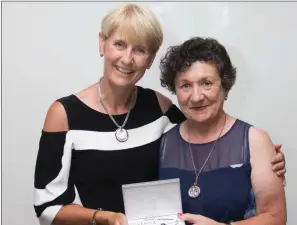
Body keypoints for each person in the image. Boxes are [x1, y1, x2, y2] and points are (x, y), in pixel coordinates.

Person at [33, 3, 286, 225]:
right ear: (102, 43)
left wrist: (262, 160)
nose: (127, 59)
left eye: (140, 50)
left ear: (150, 59)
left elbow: (205, 133)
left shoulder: (159, 108)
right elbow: (47, 207)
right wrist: (107, 218)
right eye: (119, 44)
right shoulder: (64, 114)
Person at [158, 37, 286, 225]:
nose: (196, 97)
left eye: (206, 83)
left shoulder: (254, 140)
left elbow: (275, 218)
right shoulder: (163, 141)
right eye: (185, 85)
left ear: (225, 86)